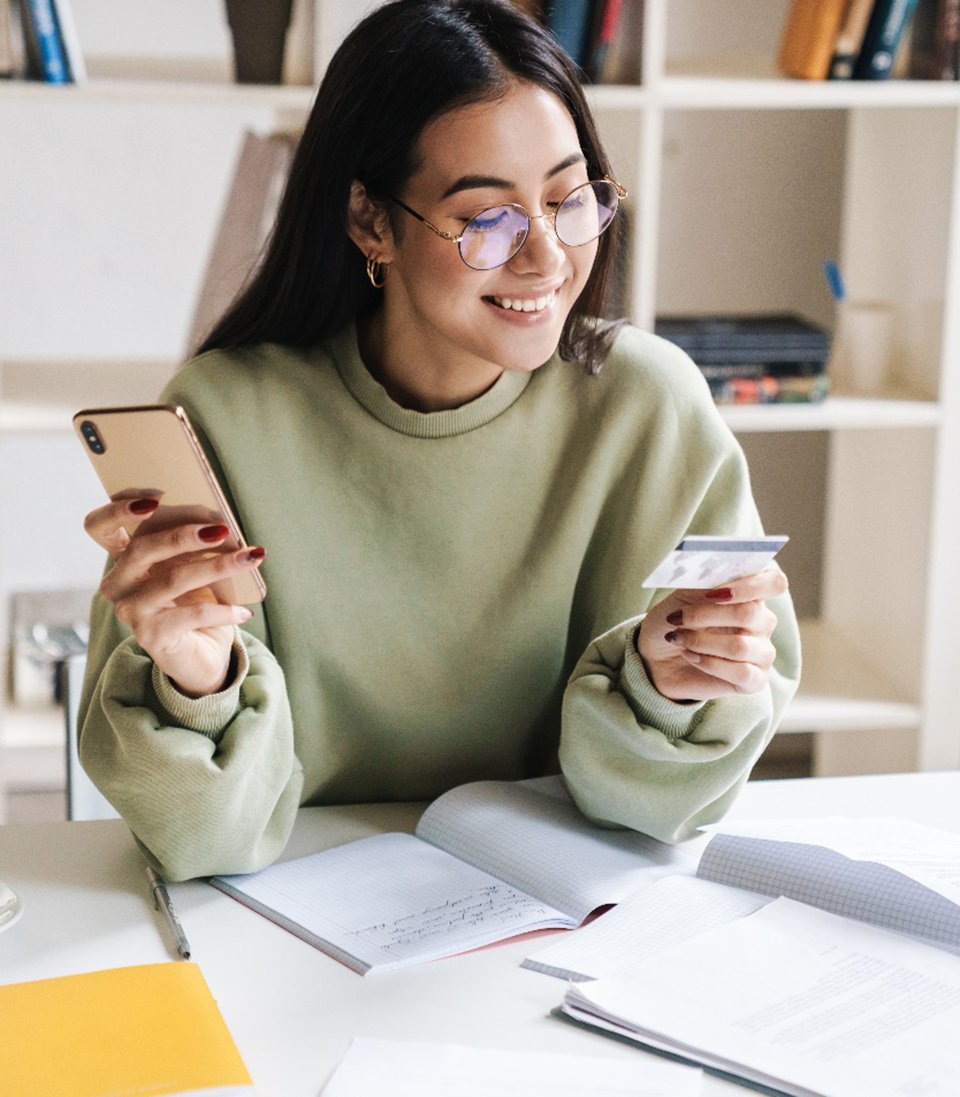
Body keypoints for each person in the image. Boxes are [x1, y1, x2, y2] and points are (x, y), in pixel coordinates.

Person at [78, 0, 800, 882]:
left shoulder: (649, 409)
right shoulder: (227, 414)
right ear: (370, 222)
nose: (546, 257)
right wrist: (197, 679)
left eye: (570, 200)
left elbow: (655, 819)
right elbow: (206, 842)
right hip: (288, 920)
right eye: (487, 218)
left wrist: (673, 686)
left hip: (563, 912)